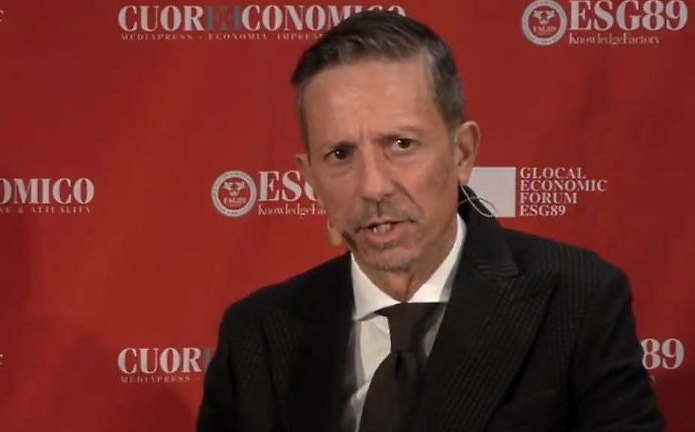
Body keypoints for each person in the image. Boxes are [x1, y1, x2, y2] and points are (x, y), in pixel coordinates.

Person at [197, 10, 665, 432]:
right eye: (340, 154)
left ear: (462, 153)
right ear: (310, 179)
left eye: (401, 144)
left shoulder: (577, 302)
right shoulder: (255, 337)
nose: (373, 186)